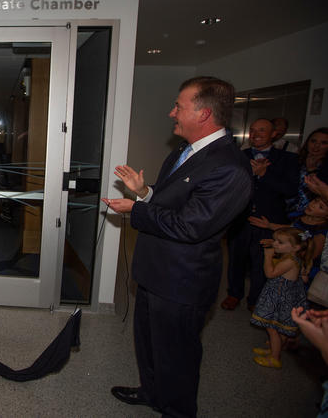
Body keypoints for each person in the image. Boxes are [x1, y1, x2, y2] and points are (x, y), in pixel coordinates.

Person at [102, 76, 252, 417]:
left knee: (177, 356)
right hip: (156, 272)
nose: (172, 113)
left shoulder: (229, 168)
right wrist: (145, 193)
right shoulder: (183, 152)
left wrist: (136, 210)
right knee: (150, 344)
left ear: (203, 114)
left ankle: (176, 410)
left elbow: (190, 226)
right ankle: (152, 392)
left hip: (182, 281)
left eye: (179, 107)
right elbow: (175, 204)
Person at [221, 119, 299, 311]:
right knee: (236, 259)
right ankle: (234, 293)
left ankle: (256, 299)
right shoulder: (239, 156)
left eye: (262, 130)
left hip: (269, 221)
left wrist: (264, 175)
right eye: (253, 130)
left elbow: (290, 190)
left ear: (274, 134)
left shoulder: (287, 159)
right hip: (241, 217)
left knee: (262, 261)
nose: (255, 134)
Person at [250, 227, 308, 369]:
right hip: (282, 296)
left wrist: (268, 256)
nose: (275, 244)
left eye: (280, 242)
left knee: (272, 327)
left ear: (296, 247)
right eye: (275, 240)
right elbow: (303, 279)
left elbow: (270, 273)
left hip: (278, 299)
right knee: (274, 328)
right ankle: (273, 350)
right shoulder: (294, 258)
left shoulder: (289, 261)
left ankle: (275, 358)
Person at [290, 127, 328, 218]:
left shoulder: (325, 168)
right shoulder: (295, 161)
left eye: (323, 143)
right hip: (289, 211)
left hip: (315, 216)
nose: (316, 146)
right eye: (313, 141)